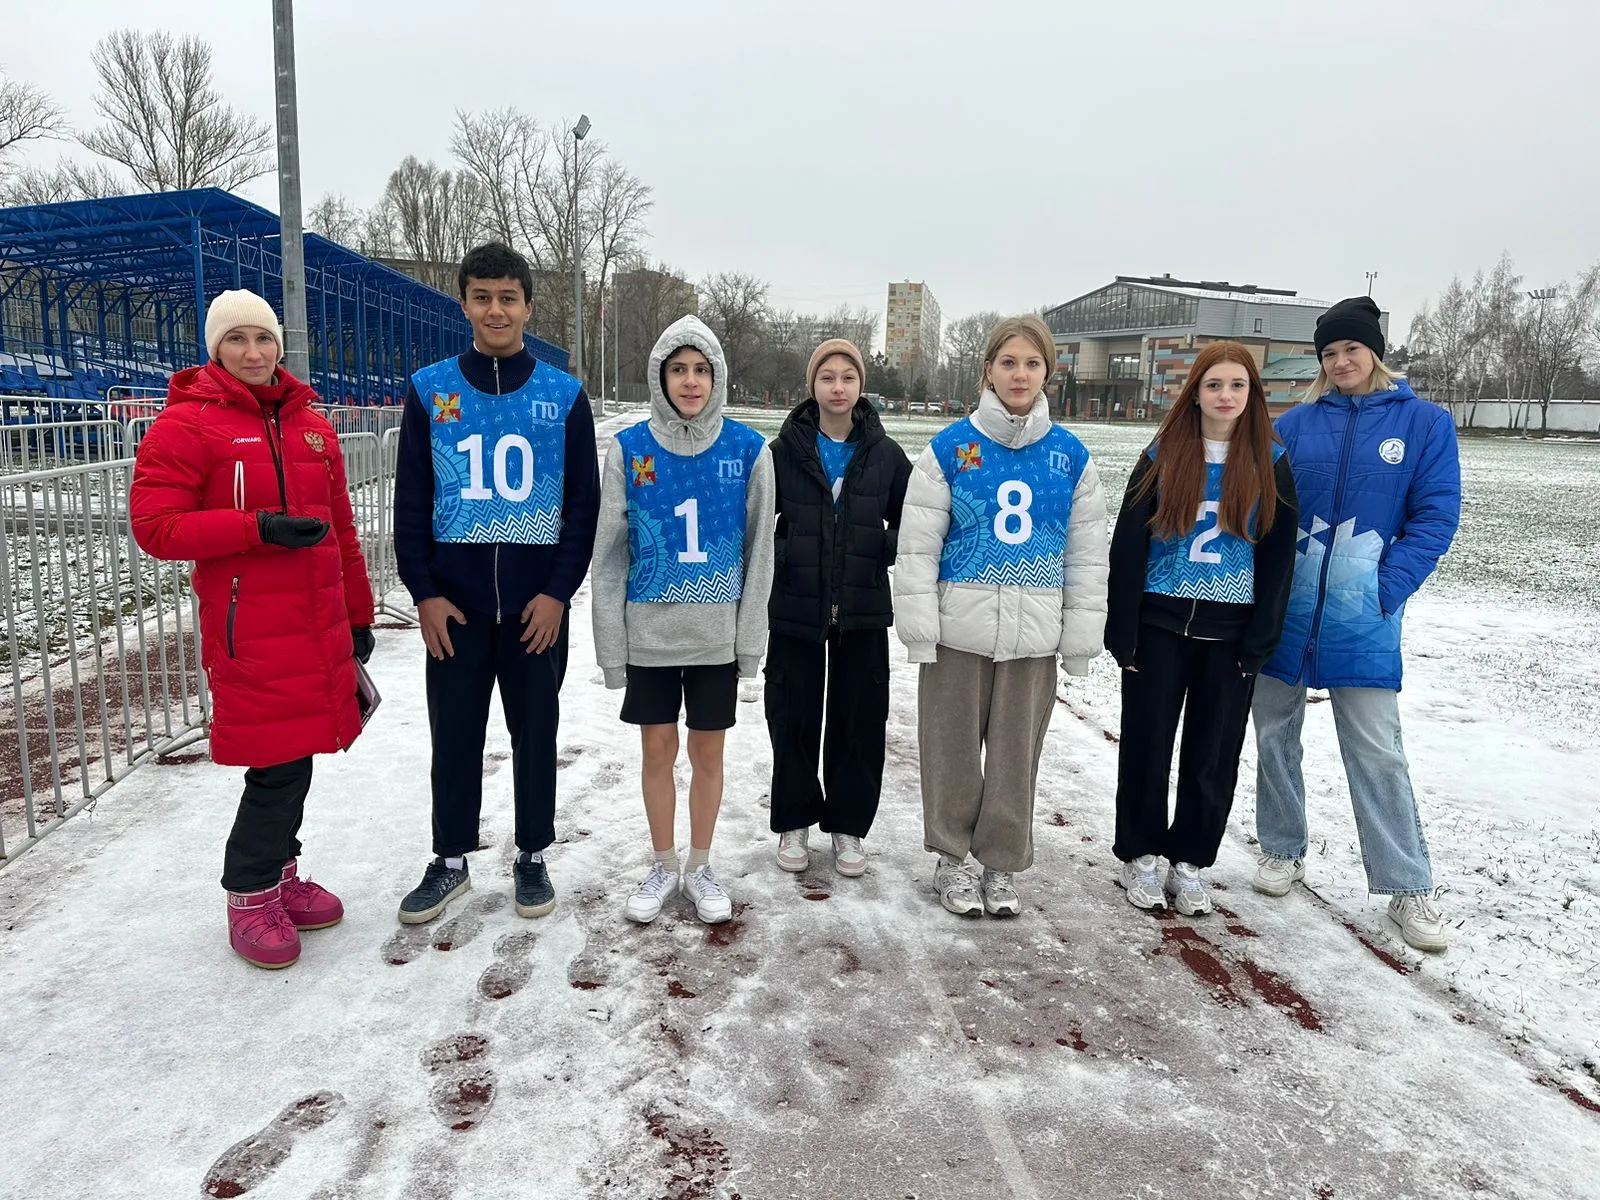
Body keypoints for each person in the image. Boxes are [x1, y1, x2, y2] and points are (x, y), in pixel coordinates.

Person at [131, 289, 375, 970]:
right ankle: (248, 892)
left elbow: (342, 533)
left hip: (315, 623)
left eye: (263, 339)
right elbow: (156, 527)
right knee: (277, 765)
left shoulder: (312, 428)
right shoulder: (186, 426)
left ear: (279, 347)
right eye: (236, 340)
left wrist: (357, 617)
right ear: (215, 350)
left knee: (298, 758)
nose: (252, 352)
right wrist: (257, 529)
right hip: (252, 628)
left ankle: (279, 873)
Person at [391, 243, 599, 926]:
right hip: (458, 608)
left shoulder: (563, 395)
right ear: (465, 305)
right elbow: (413, 499)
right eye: (482, 296)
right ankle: (449, 861)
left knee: (535, 733)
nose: (496, 309)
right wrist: (423, 591)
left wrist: (557, 593)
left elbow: (582, 505)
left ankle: (532, 855)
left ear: (528, 306)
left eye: (508, 297)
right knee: (455, 735)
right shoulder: (431, 390)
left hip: (536, 610)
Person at [1251, 296, 1461, 952]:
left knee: (1378, 750)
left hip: (1362, 621)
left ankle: (1407, 885)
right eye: (1330, 352)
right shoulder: (1296, 425)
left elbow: (1435, 515)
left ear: (1374, 352)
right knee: (1274, 735)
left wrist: (1382, 590)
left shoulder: (1425, 423)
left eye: (1352, 349)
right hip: (1285, 618)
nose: (1341, 361)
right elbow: (1260, 506)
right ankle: (1282, 849)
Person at [894, 314, 1108, 917]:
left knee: (1017, 754)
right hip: (958, 628)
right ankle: (952, 859)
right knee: (952, 748)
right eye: (1008, 362)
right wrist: (919, 628)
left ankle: (1002, 863)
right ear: (987, 370)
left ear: (1049, 373)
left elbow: (1087, 554)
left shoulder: (1070, 457)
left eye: (1032, 363)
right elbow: (917, 547)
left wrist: (1080, 637)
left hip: (1034, 633)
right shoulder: (950, 449)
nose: (1020, 374)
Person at [591, 315, 775, 925]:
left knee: (708, 753)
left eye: (701, 370)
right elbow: (610, 554)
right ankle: (663, 861)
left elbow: (758, 554)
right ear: (660, 376)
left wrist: (749, 644)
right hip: (651, 636)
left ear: (717, 377)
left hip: (716, 638)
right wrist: (611, 649)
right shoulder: (631, 449)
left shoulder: (750, 451)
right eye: (679, 369)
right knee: (656, 749)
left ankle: (699, 864)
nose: (690, 381)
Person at [1106, 342, 1299, 916]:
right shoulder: (1163, 452)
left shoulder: (1269, 460)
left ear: (1252, 395)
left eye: (1237, 386)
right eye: (1214, 385)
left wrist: (1260, 639)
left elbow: (1279, 556)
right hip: (1160, 624)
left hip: (1230, 634)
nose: (1225, 396)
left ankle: (1189, 862)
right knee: (1147, 743)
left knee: (1212, 753)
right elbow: (1129, 543)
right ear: (1195, 391)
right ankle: (1140, 855)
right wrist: (1125, 630)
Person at [766, 338, 911, 878]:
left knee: (858, 720)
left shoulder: (886, 454)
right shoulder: (781, 452)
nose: (838, 386)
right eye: (827, 376)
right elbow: (759, 526)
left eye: (847, 376)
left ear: (860, 386)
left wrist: (877, 551)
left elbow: (913, 523)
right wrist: (792, 555)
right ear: (813, 386)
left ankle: (848, 827)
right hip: (796, 609)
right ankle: (794, 821)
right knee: (794, 716)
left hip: (862, 609)